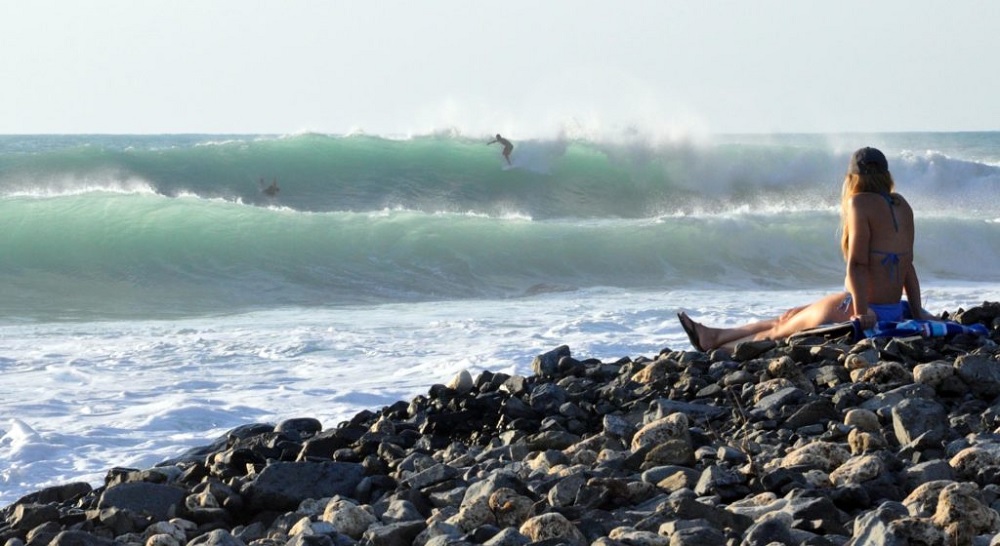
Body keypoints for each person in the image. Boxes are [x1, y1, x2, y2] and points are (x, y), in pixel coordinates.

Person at [677, 146, 933, 352]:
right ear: (887, 175)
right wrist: (917, 310)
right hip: (893, 308)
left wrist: (862, 311)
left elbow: (857, 264)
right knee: (788, 318)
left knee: (777, 333)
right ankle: (714, 335)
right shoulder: (902, 205)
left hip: (857, 307)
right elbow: (907, 266)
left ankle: (719, 352)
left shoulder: (859, 202)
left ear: (853, 178)